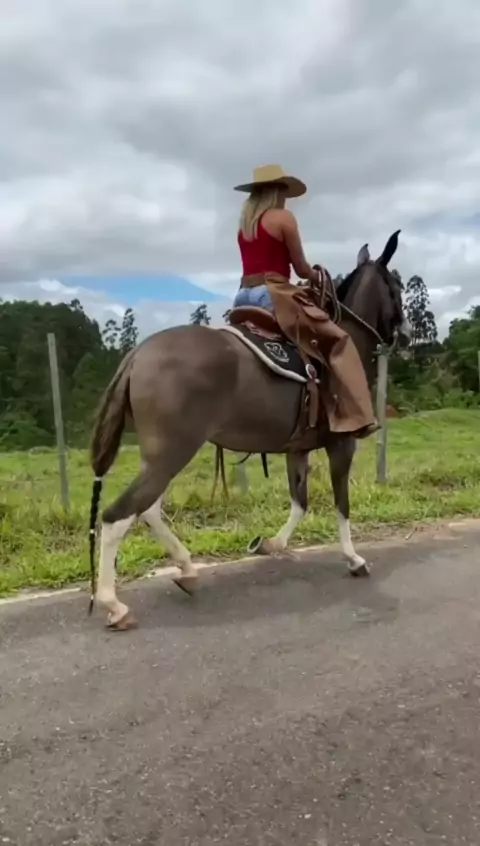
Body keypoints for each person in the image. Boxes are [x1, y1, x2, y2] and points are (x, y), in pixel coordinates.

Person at [232, 164, 379, 438]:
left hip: (242, 297)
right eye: (284, 191)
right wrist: (316, 276)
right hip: (272, 293)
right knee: (338, 340)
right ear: (277, 191)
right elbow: (300, 269)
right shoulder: (283, 218)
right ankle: (357, 416)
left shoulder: (245, 225)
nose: (286, 198)